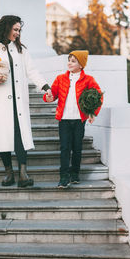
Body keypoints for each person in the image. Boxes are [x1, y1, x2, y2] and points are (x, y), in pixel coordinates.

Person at [0, 15, 52, 188]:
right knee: (2, 136)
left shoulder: (20, 49)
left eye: (19, 30)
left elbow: (32, 71)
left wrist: (45, 87)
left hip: (18, 101)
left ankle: (23, 174)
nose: (17, 33)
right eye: (15, 29)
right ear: (6, 28)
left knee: (20, 136)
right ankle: (9, 174)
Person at [43, 50, 103, 188]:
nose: (69, 63)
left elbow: (98, 96)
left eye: (73, 61)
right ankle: (64, 177)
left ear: (81, 65)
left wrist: (93, 113)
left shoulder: (88, 80)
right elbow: (52, 94)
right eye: (69, 60)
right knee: (65, 148)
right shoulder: (60, 78)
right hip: (64, 119)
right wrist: (48, 97)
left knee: (77, 148)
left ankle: (75, 173)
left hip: (79, 120)